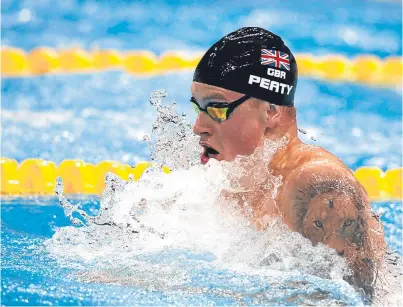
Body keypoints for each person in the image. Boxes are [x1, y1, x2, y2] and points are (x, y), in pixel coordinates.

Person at [190, 27, 386, 300]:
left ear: (271, 111)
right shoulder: (238, 184)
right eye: (197, 108)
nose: (198, 127)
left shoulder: (318, 183)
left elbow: (352, 299)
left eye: (216, 108)